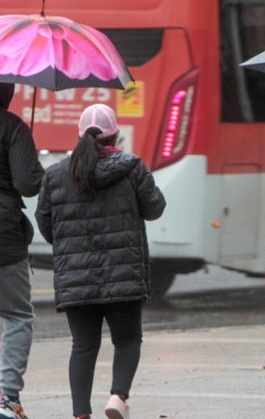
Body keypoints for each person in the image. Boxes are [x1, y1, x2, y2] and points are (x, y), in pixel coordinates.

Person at [35, 104, 166, 419]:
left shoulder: (54, 175)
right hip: (125, 272)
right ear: (115, 136)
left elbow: (46, 225)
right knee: (127, 339)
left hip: (76, 278)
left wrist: (72, 245)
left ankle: (80, 413)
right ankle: (117, 398)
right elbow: (155, 208)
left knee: (83, 345)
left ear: (79, 135)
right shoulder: (132, 167)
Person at [0, 82, 44, 419]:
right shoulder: (13, 127)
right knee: (17, 316)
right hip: (4, 237)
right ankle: (6, 397)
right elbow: (28, 184)